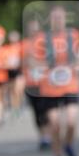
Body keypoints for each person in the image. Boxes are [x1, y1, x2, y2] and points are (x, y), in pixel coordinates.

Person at [35, 5, 79, 156]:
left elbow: (77, 58)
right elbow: (34, 60)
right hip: (50, 86)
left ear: (65, 19)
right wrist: (44, 66)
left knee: (71, 121)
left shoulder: (73, 35)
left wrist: (77, 66)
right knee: (55, 125)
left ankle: (68, 144)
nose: (58, 21)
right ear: (50, 20)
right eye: (55, 18)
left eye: (60, 18)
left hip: (70, 84)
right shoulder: (42, 38)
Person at [23, 19, 50, 149]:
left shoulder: (45, 42)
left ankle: (48, 136)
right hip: (30, 83)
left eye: (36, 29)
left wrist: (38, 64)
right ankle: (42, 136)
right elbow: (20, 63)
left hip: (44, 82)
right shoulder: (24, 44)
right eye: (31, 29)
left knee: (46, 110)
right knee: (36, 112)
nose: (34, 31)